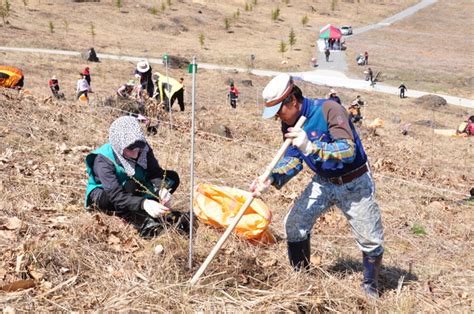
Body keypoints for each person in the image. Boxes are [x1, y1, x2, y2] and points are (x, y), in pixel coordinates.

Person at [250, 74, 384, 298]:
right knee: (294, 224)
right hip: (323, 181)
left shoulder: (330, 110)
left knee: (370, 239)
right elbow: (293, 159)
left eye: (278, 112)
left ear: (292, 100)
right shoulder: (289, 123)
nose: (278, 119)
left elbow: (347, 151)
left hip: (354, 181)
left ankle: (371, 285)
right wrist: (271, 177)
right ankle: (300, 277)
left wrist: (311, 147)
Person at [84, 116, 191, 238]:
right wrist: (143, 203)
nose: (135, 153)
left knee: (172, 178)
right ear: (119, 145)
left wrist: (161, 189)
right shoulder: (103, 160)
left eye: (138, 148)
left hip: (135, 184)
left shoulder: (143, 148)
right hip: (106, 194)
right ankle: (129, 215)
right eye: (130, 149)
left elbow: (154, 172)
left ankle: (150, 206)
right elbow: (115, 194)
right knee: (130, 186)